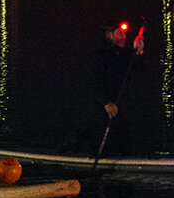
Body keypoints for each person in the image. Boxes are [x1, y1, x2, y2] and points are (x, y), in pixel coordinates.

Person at [61, 18, 145, 156]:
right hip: (101, 109)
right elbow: (93, 82)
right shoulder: (99, 54)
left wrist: (139, 52)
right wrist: (106, 102)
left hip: (120, 107)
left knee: (125, 142)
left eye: (124, 34)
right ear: (109, 35)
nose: (124, 37)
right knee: (96, 138)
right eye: (120, 33)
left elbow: (140, 69)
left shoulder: (123, 54)